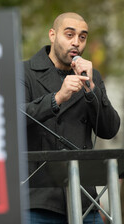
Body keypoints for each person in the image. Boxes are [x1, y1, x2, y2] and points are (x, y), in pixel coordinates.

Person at [22, 12, 120, 224]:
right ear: (52, 35)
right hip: (39, 198)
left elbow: (110, 129)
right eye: (69, 35)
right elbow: (13, 119)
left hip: (85, 199)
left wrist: (91, 90)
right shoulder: (26, 72)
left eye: (82, 37)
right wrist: (56, 99)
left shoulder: (92, 76)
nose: (76, 42)